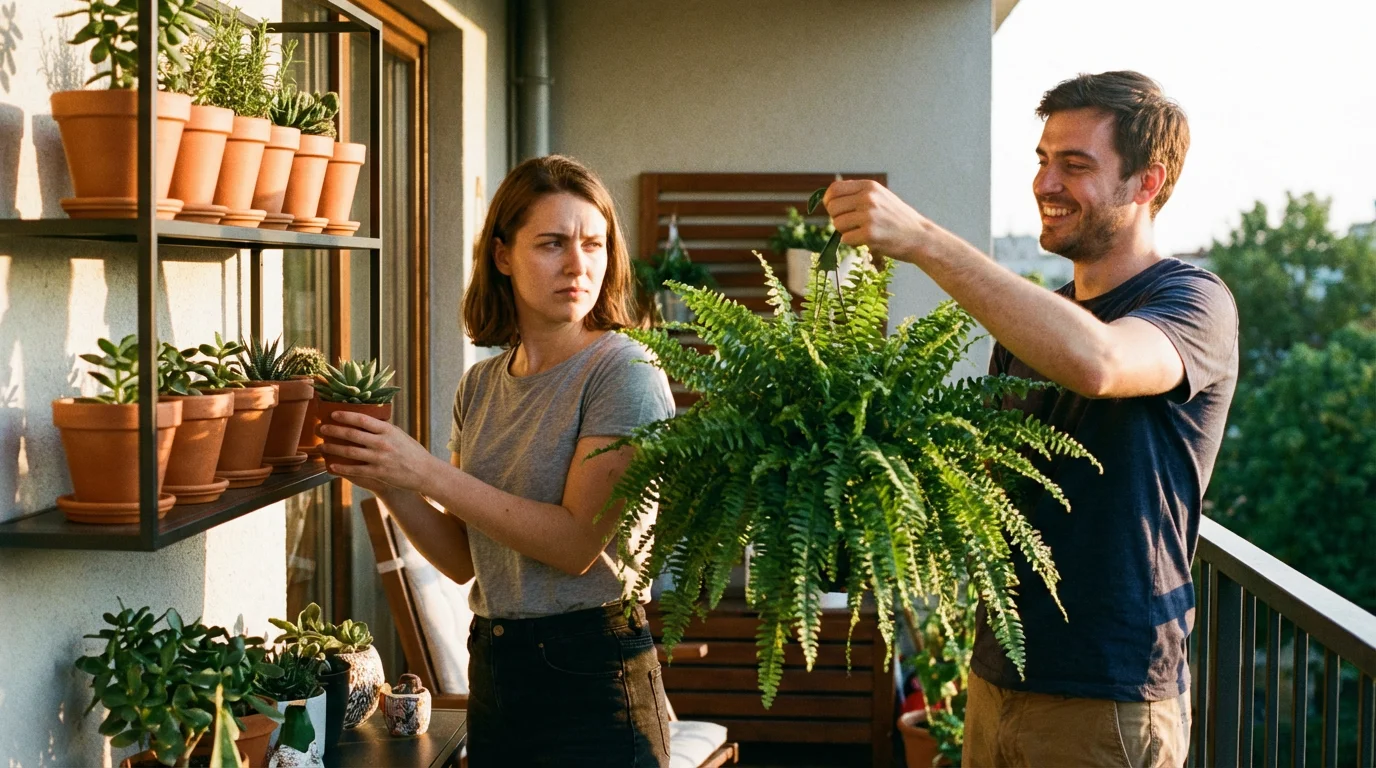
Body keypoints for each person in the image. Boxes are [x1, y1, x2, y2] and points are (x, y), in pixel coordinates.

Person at [823, 71, 1238, 767]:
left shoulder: (1194, 302)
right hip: (1000, 674)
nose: (1045, 182)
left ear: (1146, 181)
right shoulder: (1030, 322)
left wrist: (925, 239)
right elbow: (994, 488)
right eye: (1043, 160)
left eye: (1075, 165)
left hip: (1109, 695)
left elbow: (1101, 364)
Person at [319, 155, 677, 767]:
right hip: (495, 668)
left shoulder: (623, 372)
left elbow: (574, 545)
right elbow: (463, 558)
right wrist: (386, 477)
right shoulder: (481, 386)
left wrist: (426, 471)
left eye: (594, 244)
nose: (578, 263)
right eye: (552, 243)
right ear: (502, 254)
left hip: (594, 679)